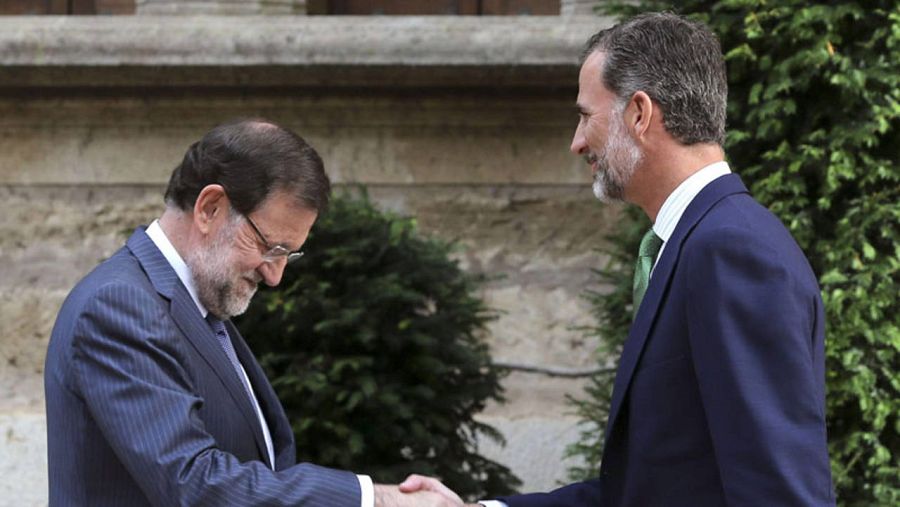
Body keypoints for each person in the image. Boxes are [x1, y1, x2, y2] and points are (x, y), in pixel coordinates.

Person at [401, 12, 835, 506]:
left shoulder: (732, 251)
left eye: (587, 115)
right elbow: (642, 492)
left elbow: (780, 494)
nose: (577, 141)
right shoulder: (698, 242)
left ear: (639, 113)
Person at [44, 119, 455, 507]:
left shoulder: (195, 303)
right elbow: (195, 482)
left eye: (288, 256)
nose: (275, 275)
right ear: (210, 208)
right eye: (270, 247)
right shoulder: (119, 304)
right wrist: (374, 499)